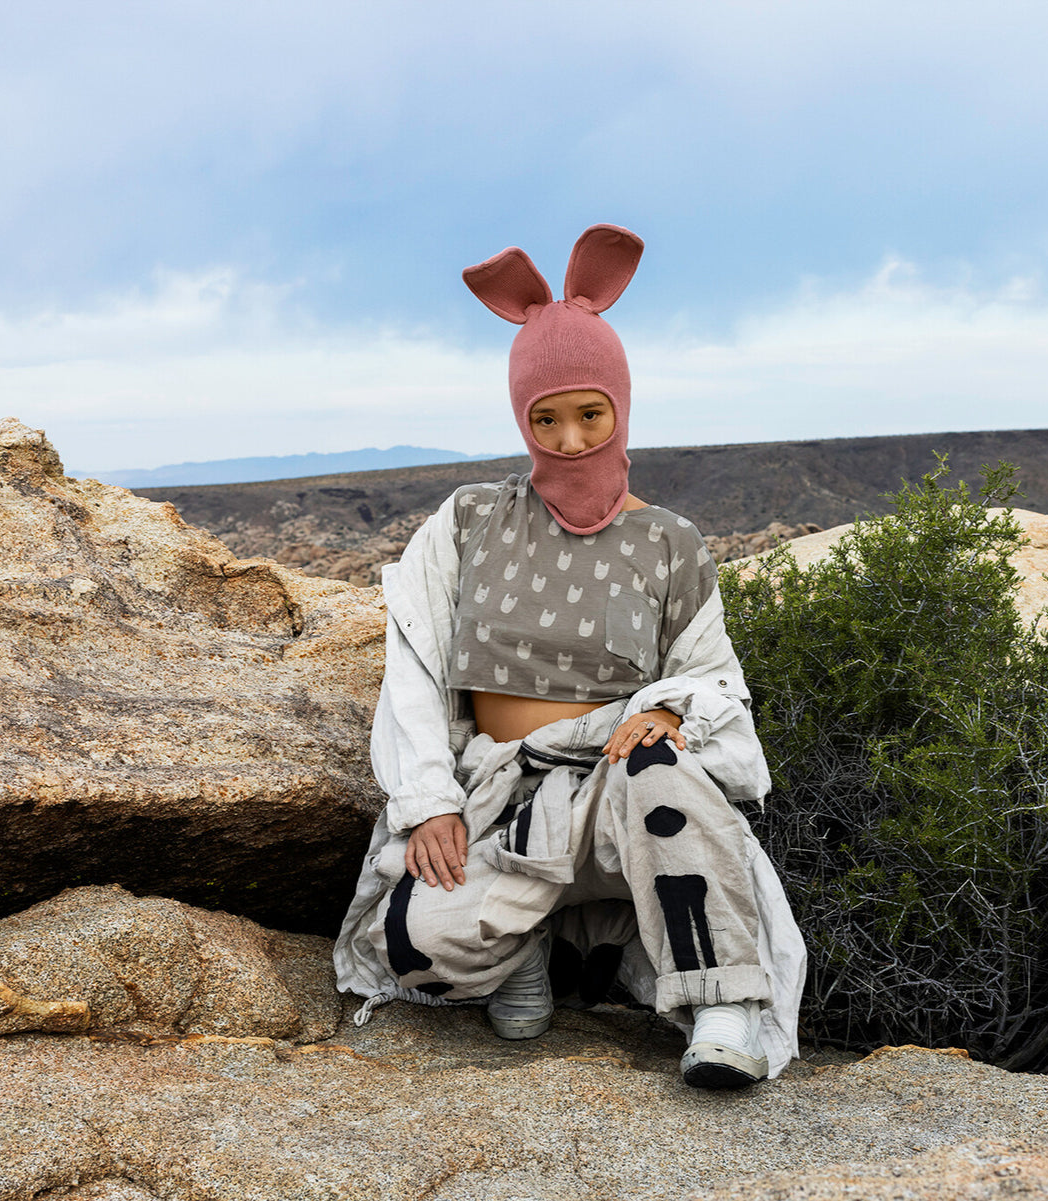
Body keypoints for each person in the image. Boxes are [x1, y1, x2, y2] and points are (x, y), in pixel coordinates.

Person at [334, 224, 805, 1089]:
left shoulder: (672, 542)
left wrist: (669, 709)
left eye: (591, 412)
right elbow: (416, 663)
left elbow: (714, 676)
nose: (572, 438)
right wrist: (429, 799)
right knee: (415, 944)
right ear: (522, 417)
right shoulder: (470, 520)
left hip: (620, 790)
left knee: (664, 773)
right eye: (545, 417)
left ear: (621, 404)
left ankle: (724, 1006)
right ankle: (529, 947)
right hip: (500, 791)